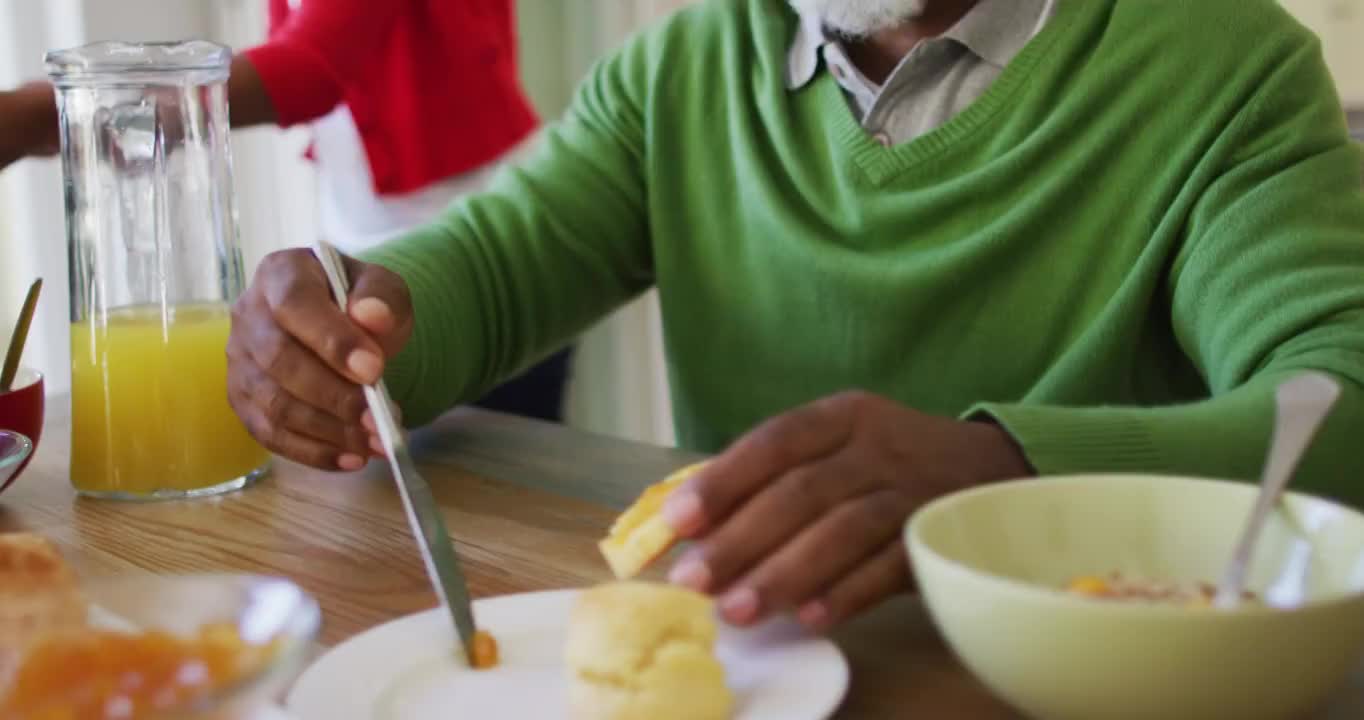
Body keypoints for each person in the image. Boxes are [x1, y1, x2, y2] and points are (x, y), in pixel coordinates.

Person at [226, 0, 1364, 632]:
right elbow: (499, 261)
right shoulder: (685, 63)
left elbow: (1338, 401)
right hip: (752, 665)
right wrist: (352, 313)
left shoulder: (1227, 64)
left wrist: (1001, 470)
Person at [0, 0, 574, 424]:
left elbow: (309, 70)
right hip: (365, 234)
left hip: (483, 232)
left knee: (484, 465)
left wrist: (49, 115)